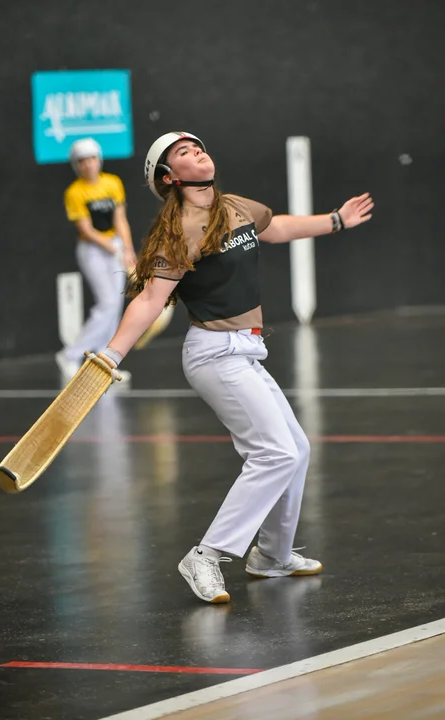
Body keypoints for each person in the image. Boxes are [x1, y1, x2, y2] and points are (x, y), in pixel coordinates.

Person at [95, 131, 374, 604]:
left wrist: (336, 220)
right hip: (214, 353)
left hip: (245, 350)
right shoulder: (179, 230)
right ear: (169, 177)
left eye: (197, 146)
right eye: (183, 153)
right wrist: (111, 355)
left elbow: (276, 227)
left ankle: (272, 556)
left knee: (295, 449)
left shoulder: (235, 207)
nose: (197, 152)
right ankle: (206, 555)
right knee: (276, 453)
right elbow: (150, 300)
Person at [55, 138, 136, 383]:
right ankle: (70, 355)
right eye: (82, 161)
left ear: (98, 160)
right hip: (92, 251)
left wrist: (127, 248)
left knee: (115, 307)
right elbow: (86, 230)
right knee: (107, 303)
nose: (88, 164)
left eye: (91, 158)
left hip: (116, 247)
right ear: (76, 165)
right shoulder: (74, 192)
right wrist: (113, 247)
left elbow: (120, 218)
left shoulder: (113, 183)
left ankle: (104, 362)